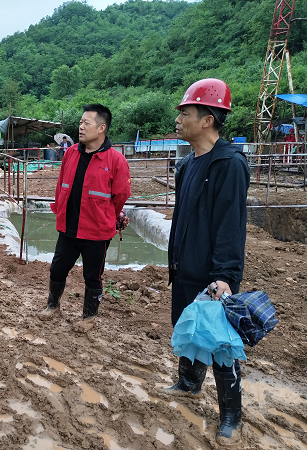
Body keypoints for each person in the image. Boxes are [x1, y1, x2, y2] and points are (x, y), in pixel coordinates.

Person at [166, 78, 250, 447]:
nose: (179, 118)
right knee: (187, 329)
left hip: (213, 273)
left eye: (186, 112)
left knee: (218, 343)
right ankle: (188, 382)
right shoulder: (187, 166)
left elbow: (231, 226)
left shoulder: (228, 165)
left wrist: (225, 277)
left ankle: (231, 414)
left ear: (208, 119)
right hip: (184, 267)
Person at [41, 104, 131, 329]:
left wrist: (110, 215)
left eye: (86, 123)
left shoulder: (115, 160)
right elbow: (61, 187)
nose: (80, 127)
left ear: (101, 128)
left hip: (97, 231)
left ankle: (89, 317)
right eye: (80, 123)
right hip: (69, 227)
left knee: (93, 276)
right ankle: (53, 305)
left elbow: (120, 195)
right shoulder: (70, 154)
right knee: (57, 269)